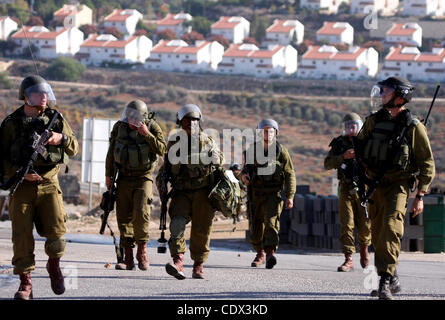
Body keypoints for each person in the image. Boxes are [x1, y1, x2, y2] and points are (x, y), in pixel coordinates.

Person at [0, 75, 78, 300]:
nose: (44, 98)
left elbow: (73, 147)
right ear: (25, 98)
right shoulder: (11, 123)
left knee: (57, 235)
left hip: (49, 184)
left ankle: (54, 266)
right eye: (37, 94)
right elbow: (1, 158)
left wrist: (60, 138)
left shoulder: (55, 118)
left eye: (46, 93)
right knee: (21, 236)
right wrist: (17, 173)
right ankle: (25, 284)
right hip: (22, 186)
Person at [357, 76, 435, 300]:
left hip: (398, 186)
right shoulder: (374, 121)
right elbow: (361, 145)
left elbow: (426, 162)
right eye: (381, 91)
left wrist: (420, 194)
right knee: (379, 234)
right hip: (374, 186)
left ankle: (385, 281)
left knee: (391, 228)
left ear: (400, 96)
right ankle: (393, 275)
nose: (382, 95)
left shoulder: (413, 126)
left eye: (386, 91)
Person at [156, 104, 224, 280]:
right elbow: (166, 168)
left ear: (199, 122)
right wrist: (161, 183)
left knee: (201, 230)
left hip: (203, 192)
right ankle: (178, 262)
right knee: (177, 224)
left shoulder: (208, 141)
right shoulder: (174, 143)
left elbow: (219, 161)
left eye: (194, 121)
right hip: (182, 192)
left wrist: (214, 158)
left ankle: (198, 265)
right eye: (187, 121)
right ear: (180, 122)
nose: (190, 124)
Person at [105, 100, 166, 271]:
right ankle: (129, 258)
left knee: (141, 215)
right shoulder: (119, 127)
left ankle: (142, 253)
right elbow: (111, 152)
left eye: (135, 116)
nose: (131, 119)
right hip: (123, 177)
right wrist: (108, 175)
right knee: (123, 218)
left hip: (143, 178)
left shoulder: (152, 127)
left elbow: (162, 149)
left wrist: (146, 134)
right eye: (129, 115)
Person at [241, 119, 296, 269]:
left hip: (273, 194)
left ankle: (270, 253)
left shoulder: (281, 152)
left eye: (271, 131)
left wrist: (290, 196)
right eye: (265, 131)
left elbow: (290, 174)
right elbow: (245, 170)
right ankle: (259, 253)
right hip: (256, 194)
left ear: (276, 133)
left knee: (271, 224)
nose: (268, 134)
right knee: (256, 227)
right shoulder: (252, 150)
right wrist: (244, 176)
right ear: (260, 133)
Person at [324, 113, 371, 272]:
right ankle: (348, 258)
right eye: (348, 126)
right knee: (347, 223)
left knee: (365, 223)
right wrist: (343, 157)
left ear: (359, 126)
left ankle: (364, 251)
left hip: (364, 188)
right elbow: (327, 163)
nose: (351, 129)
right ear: (344, 128)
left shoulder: (366, 142)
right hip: (345, 187)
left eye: (354, 126)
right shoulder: (338, 143)